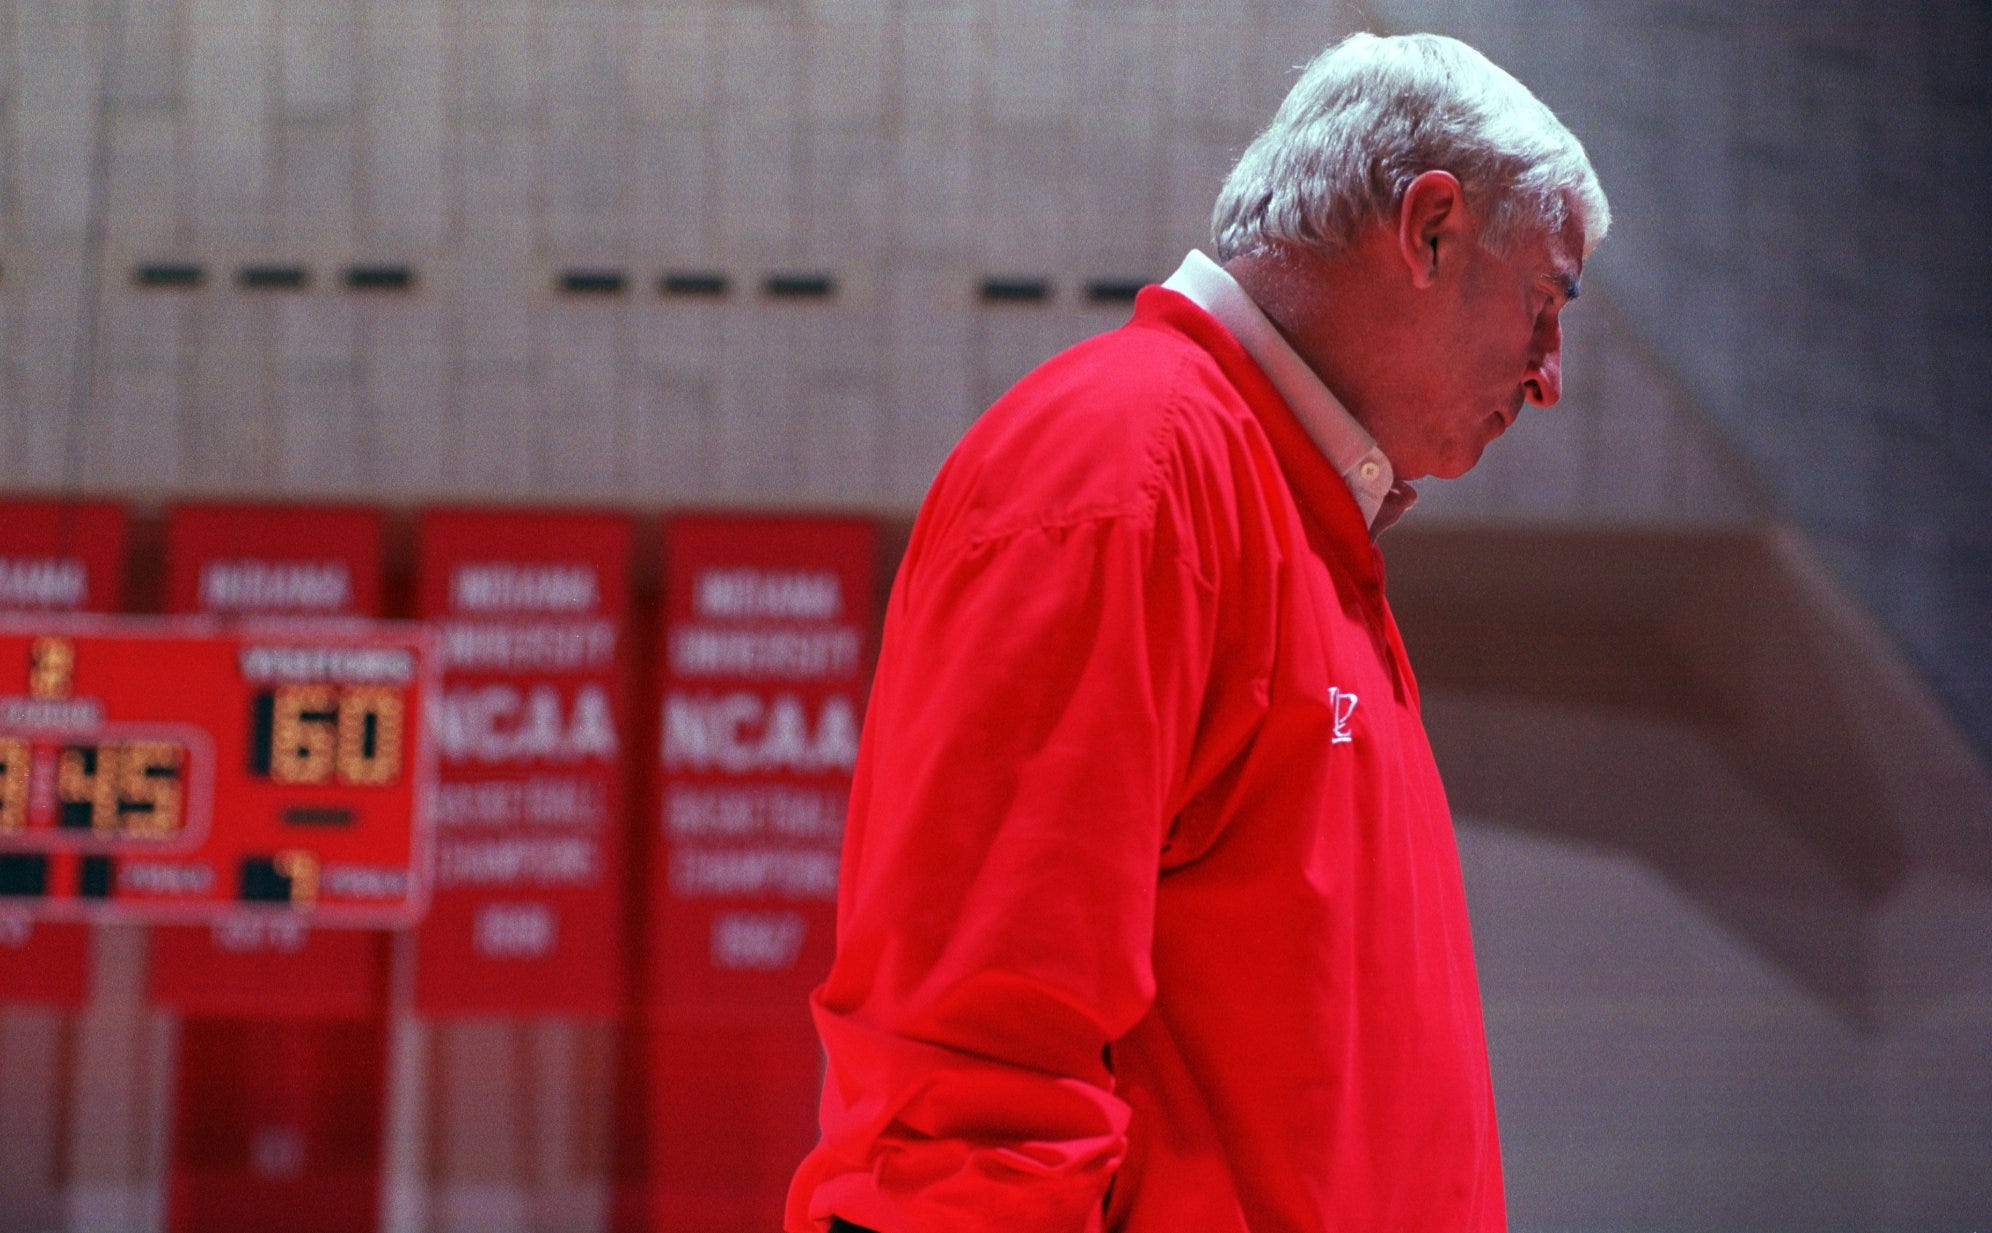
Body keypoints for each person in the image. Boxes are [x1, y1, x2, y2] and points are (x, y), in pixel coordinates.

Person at [787, 31, 1608, 1233]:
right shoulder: (1128, 471)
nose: (1549, 376)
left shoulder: (1286, 518)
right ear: (1430, 229)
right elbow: (969, 1073)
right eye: (1544, 303)